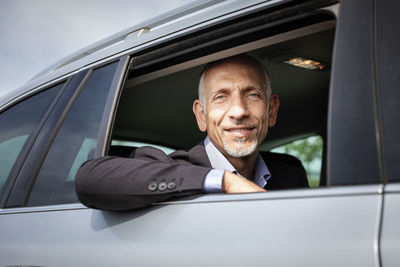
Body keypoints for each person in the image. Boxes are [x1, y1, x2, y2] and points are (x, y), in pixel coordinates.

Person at [75, 54, 308, 211]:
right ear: (202, 116)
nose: (238, 110)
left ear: (272, 110)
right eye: (221, 97)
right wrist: (224, 182)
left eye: (253, 95)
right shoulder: (175, 167)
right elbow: (89, 179)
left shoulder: (292, 178)